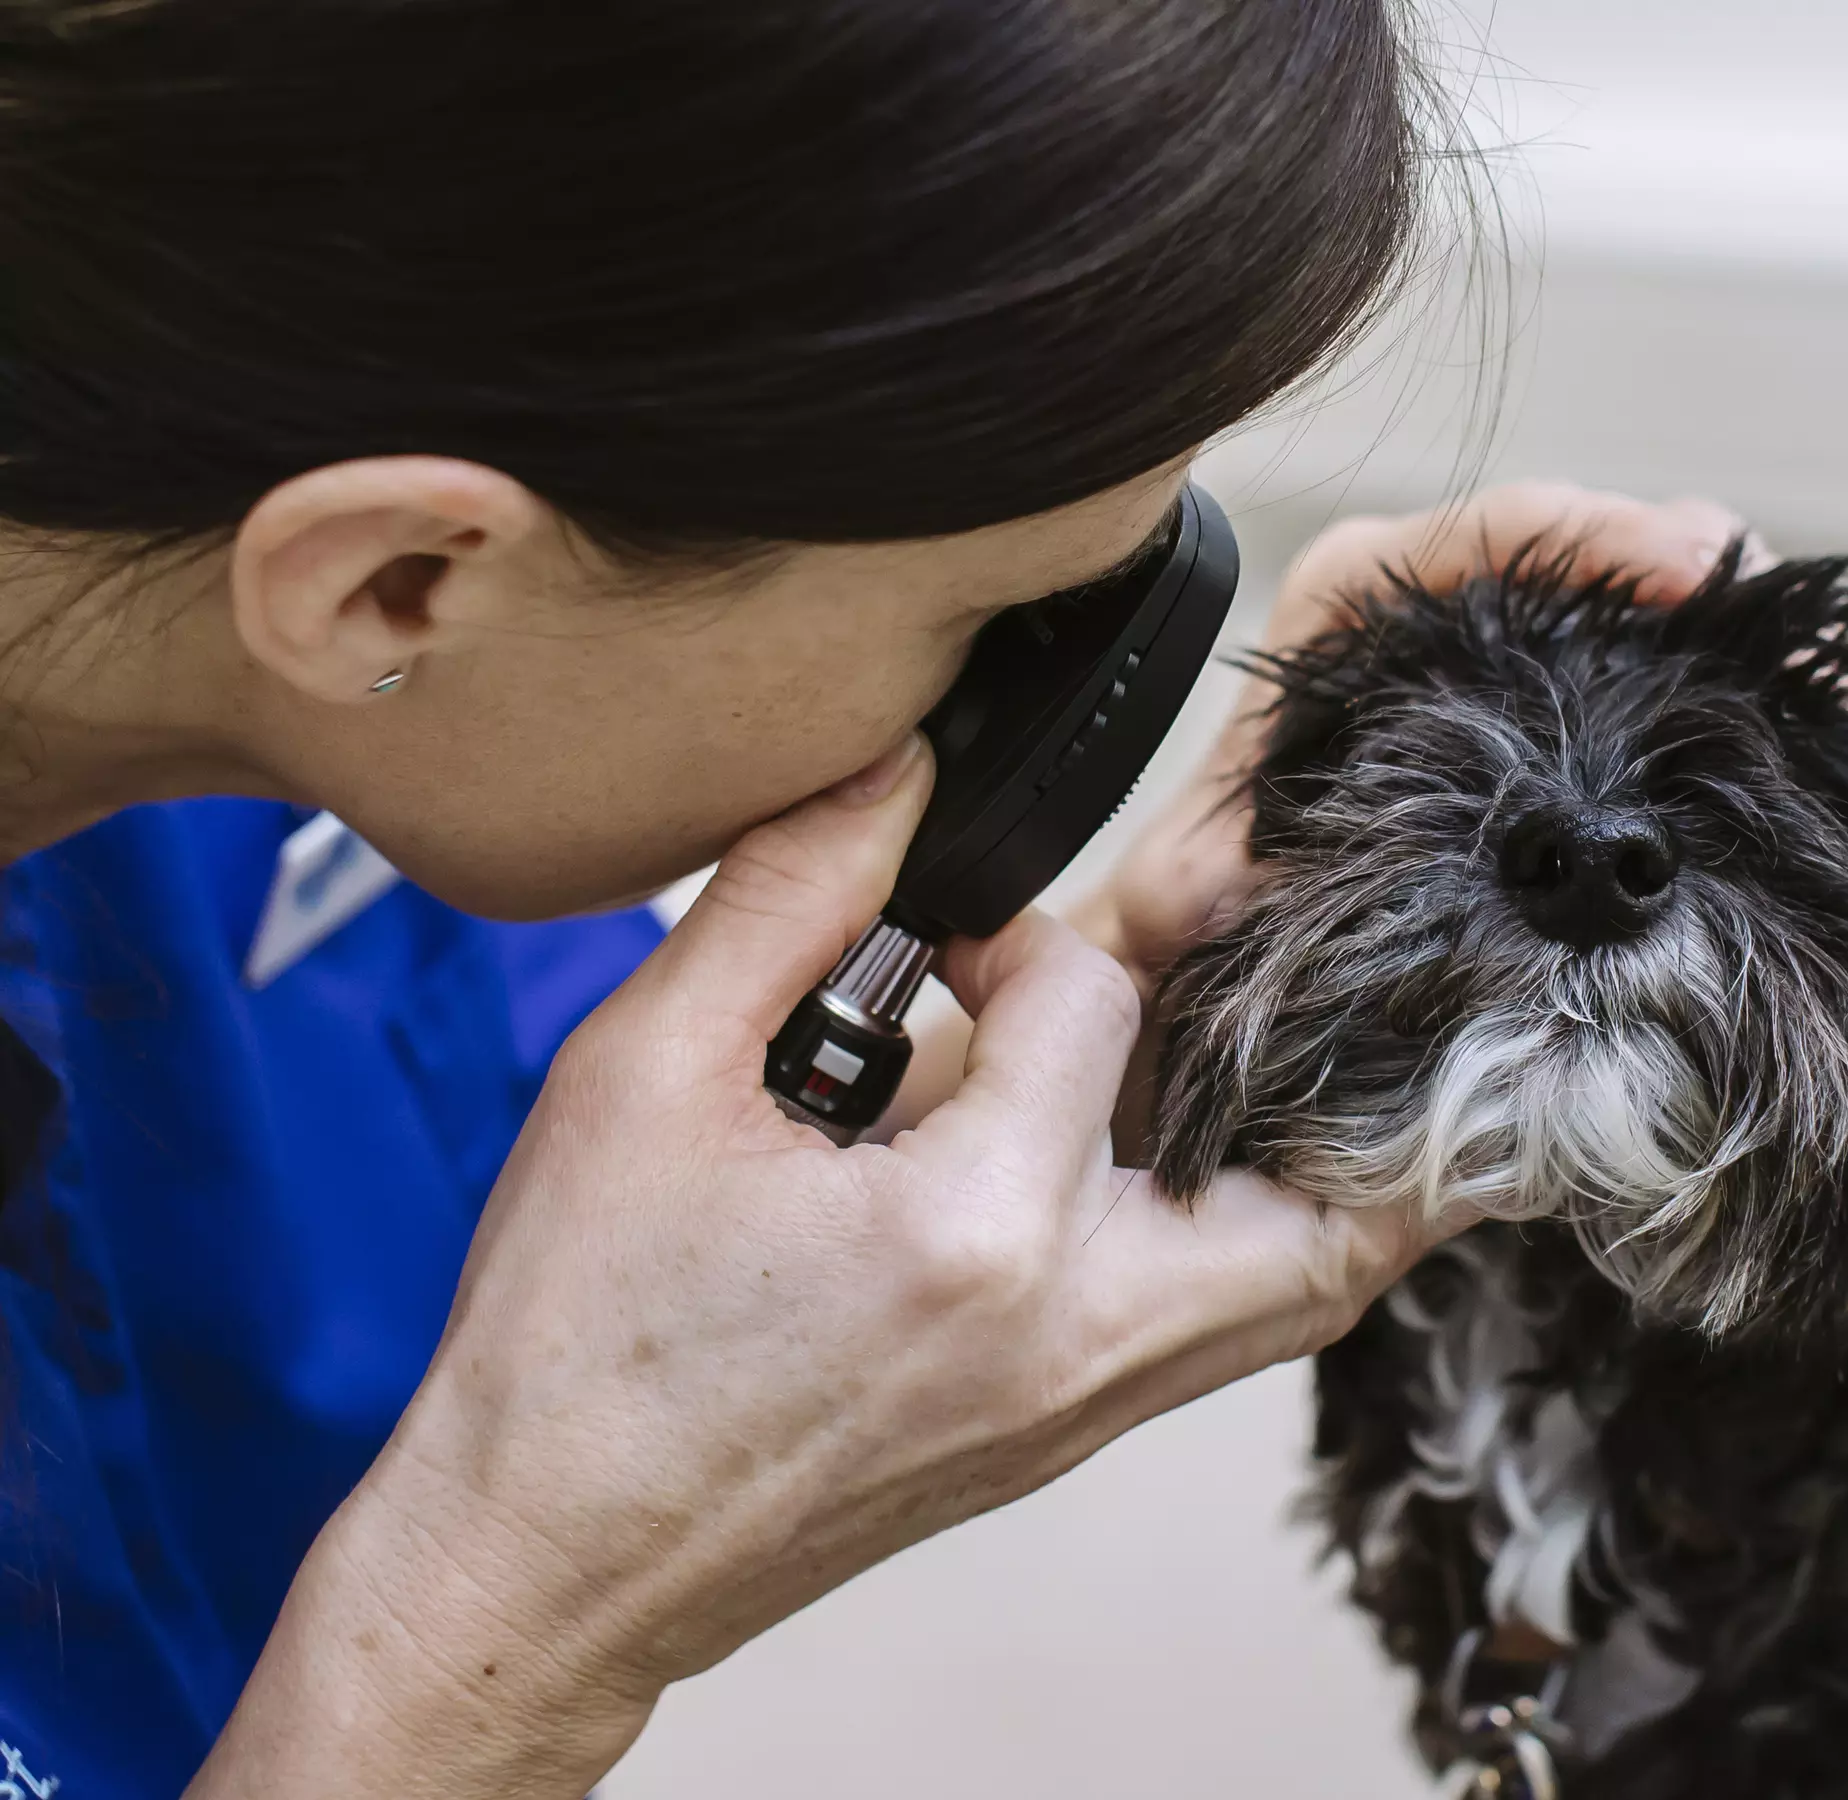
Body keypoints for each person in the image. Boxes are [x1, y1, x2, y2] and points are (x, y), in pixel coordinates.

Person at [0, 3, 1757, 1794]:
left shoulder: (320, 811)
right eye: (998, 623)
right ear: (391, 586)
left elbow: (551, 1225)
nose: (1050, 706)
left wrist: (1121, 1038)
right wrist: (511, 1630)